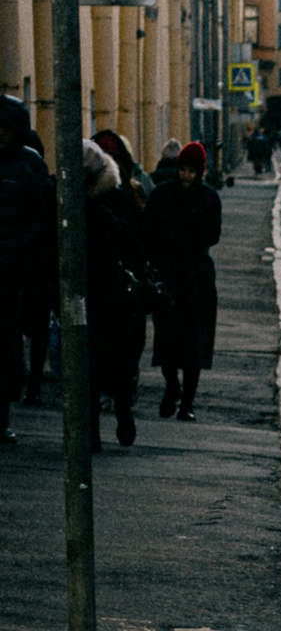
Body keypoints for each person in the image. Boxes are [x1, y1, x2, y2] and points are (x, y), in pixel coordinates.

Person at [144, 141, 221, 422]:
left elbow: (213, 235)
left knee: (194, 344)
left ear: (199, 172)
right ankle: (172, 387)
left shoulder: (209, 198)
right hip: (169, 276)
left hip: (197, 279)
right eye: (183, 170)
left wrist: (187, 232)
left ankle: (187, 402)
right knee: (166, 340)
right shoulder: (163, 194)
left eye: (191, 171)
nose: (186, 176)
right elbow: (148, 231)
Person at [83, 139, 147, 448]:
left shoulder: (116, 199)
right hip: (83, 295)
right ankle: (91, 431)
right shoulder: (71, 202)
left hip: (115, 297)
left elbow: (133, 243)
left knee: (118, 363)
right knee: (87, 367)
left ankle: (124, 415)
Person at [0, 95, 51, 443]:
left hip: (12, 274)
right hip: (13, 267)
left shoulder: (30, 166)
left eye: (6, 131)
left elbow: (42, 218)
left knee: (6, 346)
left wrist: (22, 251)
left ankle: (2, 417)